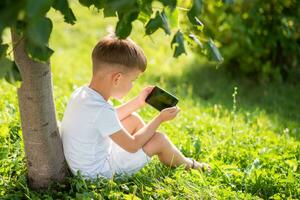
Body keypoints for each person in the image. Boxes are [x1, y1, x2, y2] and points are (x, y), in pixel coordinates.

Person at [60, 33, 211, 179]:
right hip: (98, 173)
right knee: (159, 139)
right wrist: (159, 119)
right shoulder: (101, 110)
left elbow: (108, 118)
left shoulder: (82, 94)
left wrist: (138, 102)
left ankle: (145, 151)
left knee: (133, 119)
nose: (133, 84)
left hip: (86, 162)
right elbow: (131, 145)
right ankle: (190, 164)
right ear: (117, 78)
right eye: (133, 80)